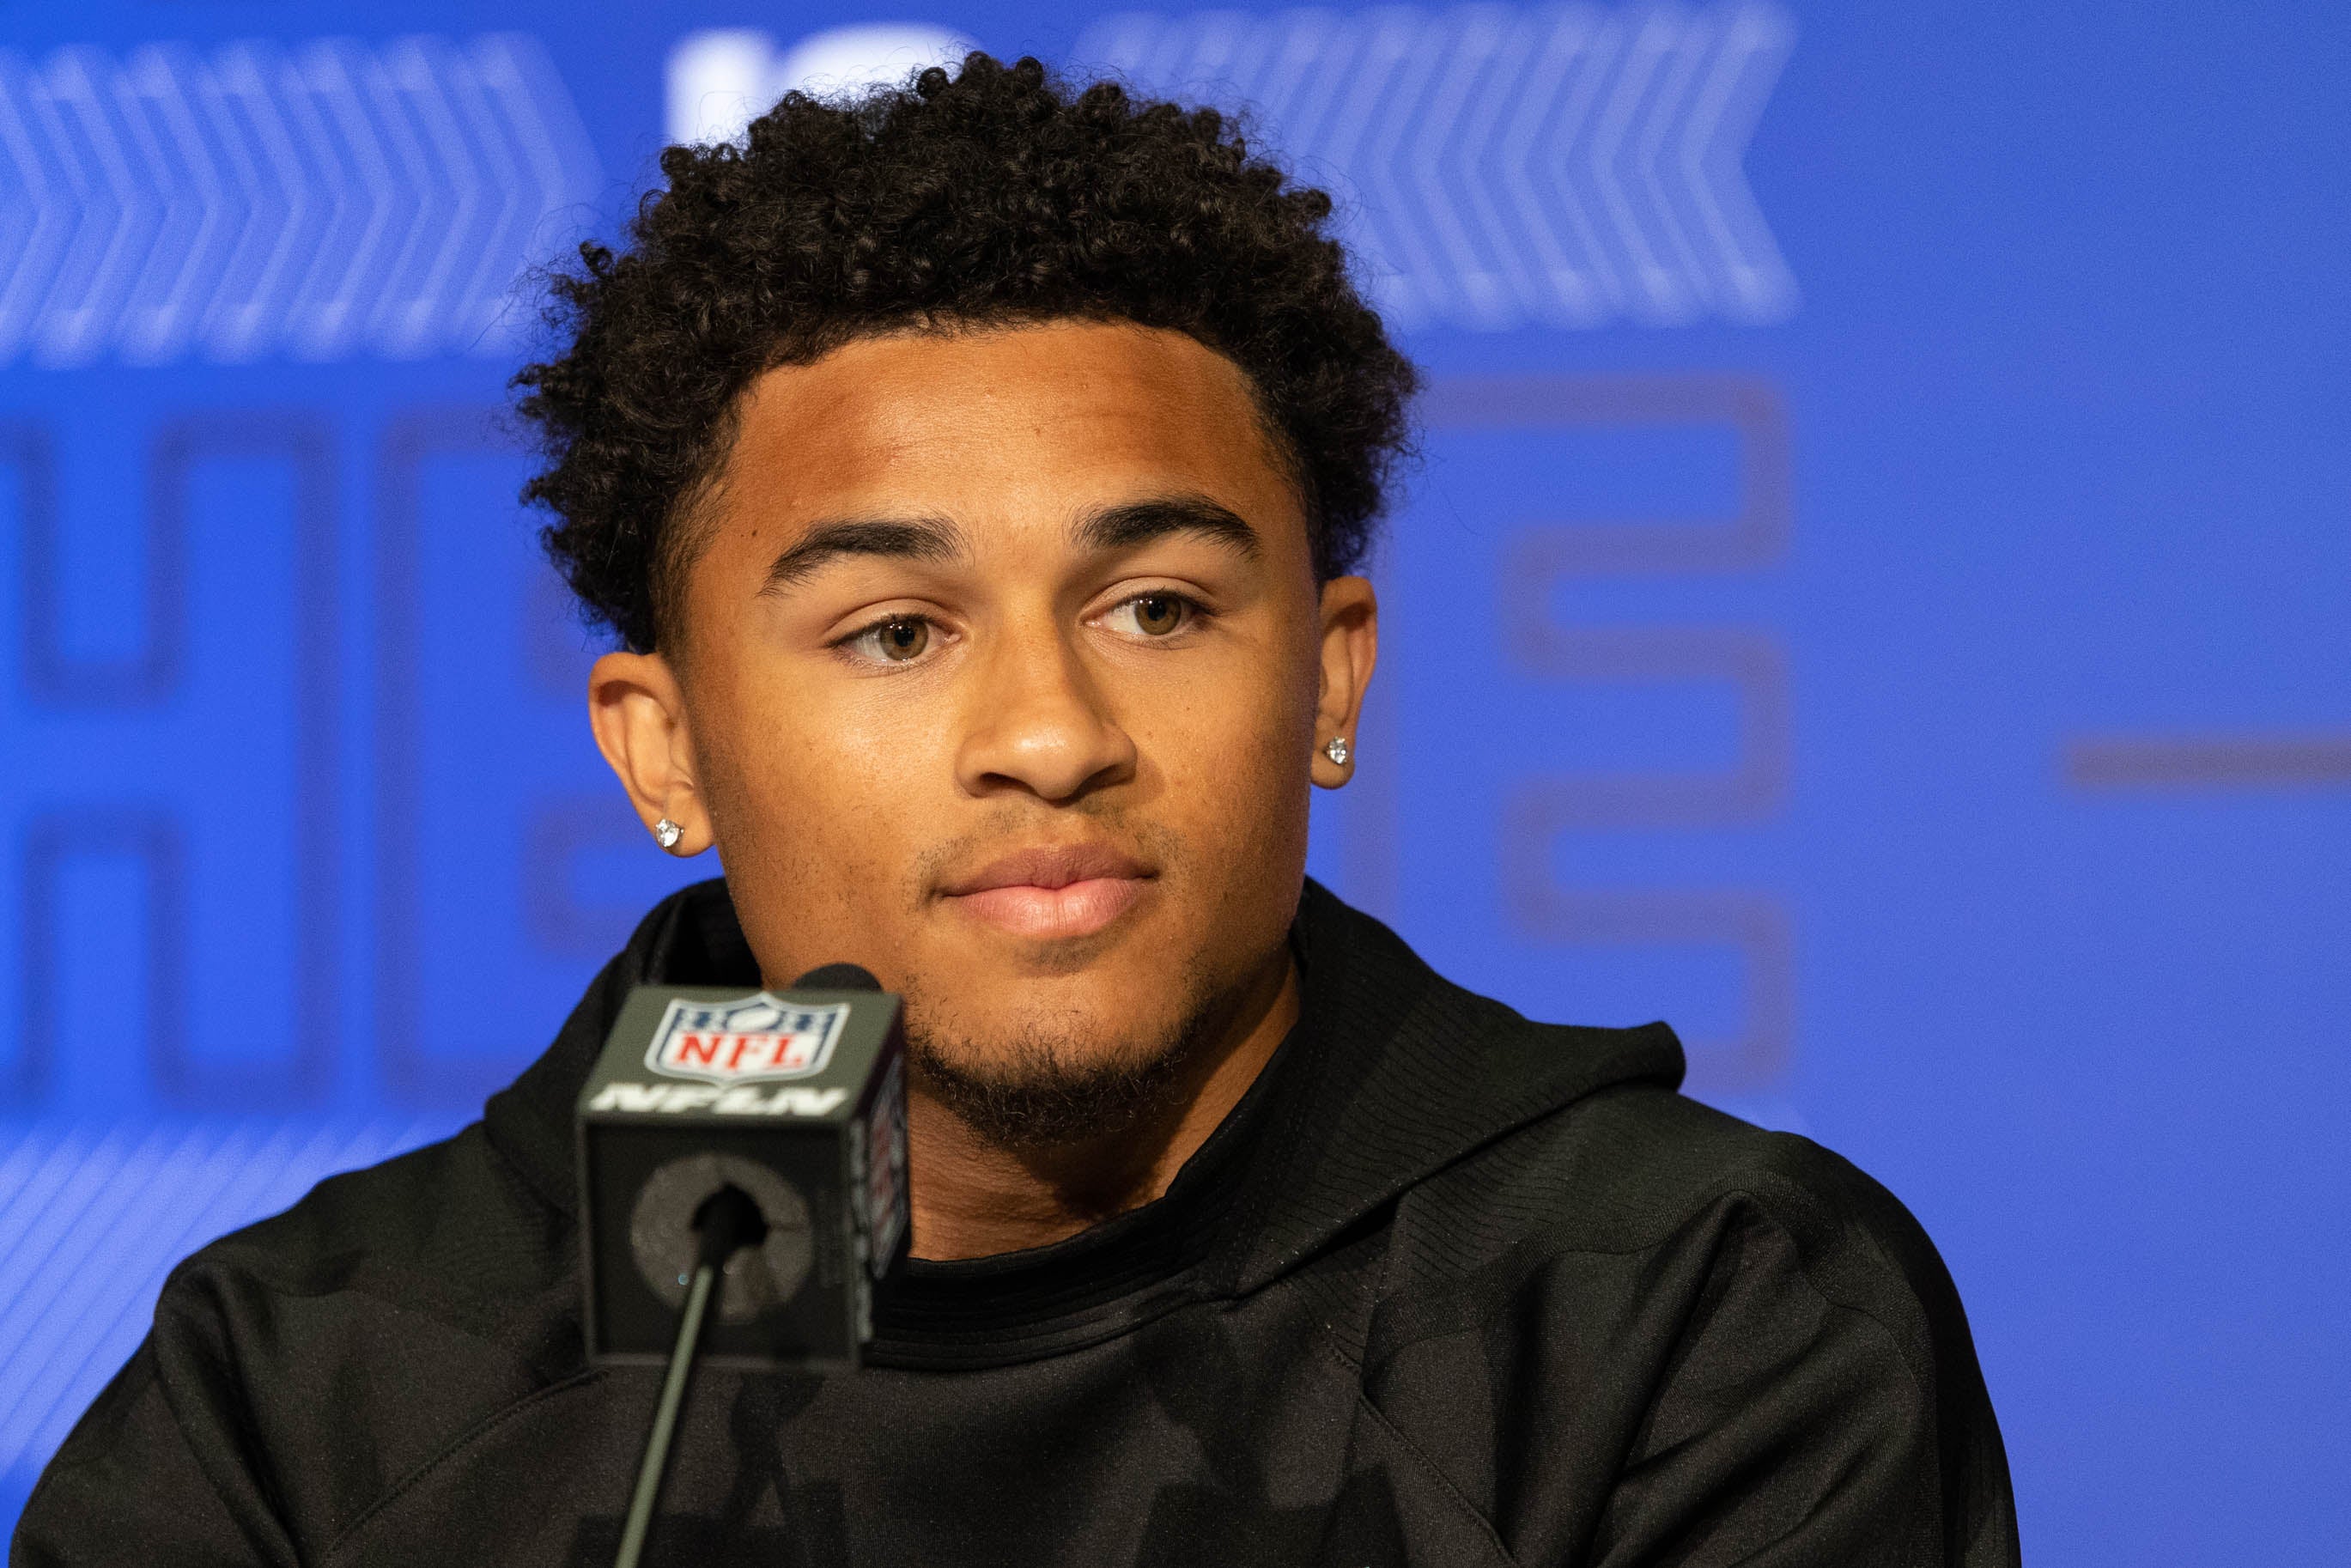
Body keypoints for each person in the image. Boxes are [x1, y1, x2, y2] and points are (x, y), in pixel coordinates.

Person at [12, 54, 2017, 1567]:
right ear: (662, 750)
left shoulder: (1685, 1314)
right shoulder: (309, 1396)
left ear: (1325, 679)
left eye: (1155, 605)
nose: (1047, 732)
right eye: (893, 632)